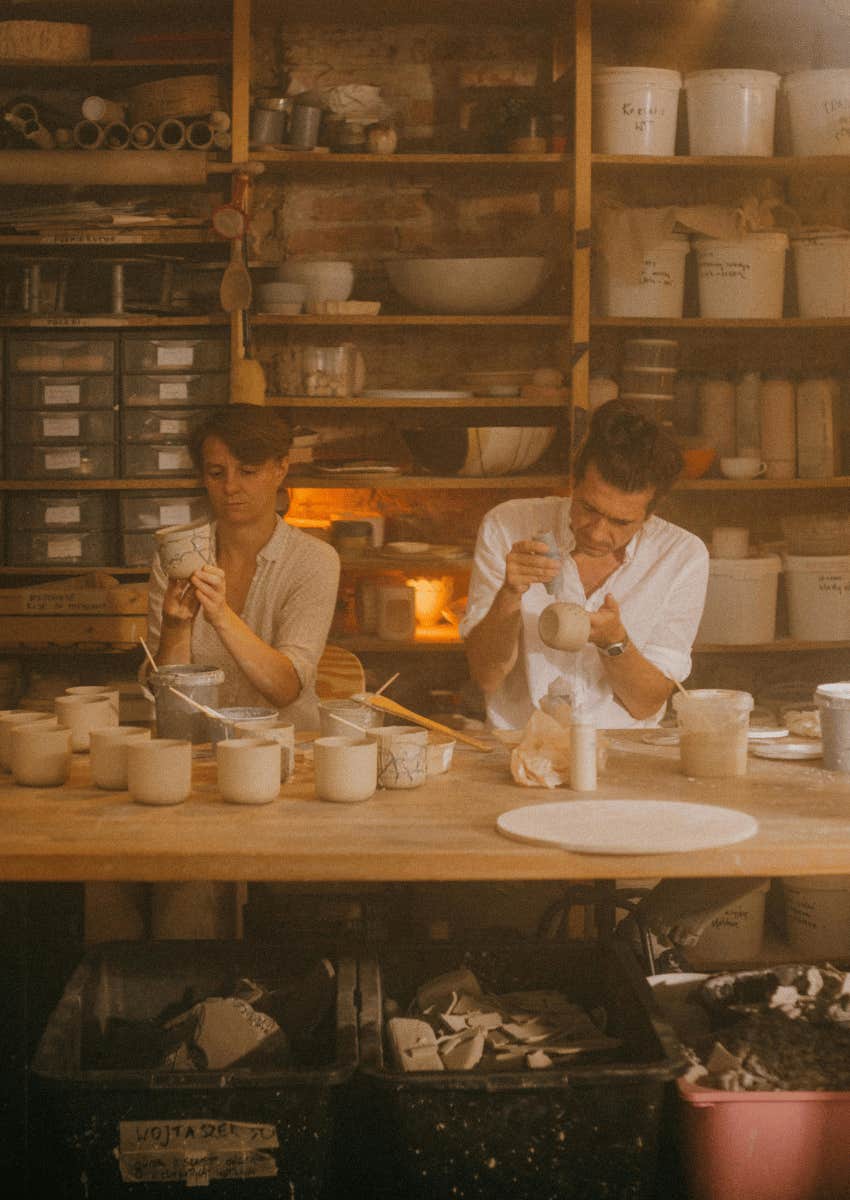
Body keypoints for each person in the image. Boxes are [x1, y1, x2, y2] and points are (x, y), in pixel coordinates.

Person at [461, 400, 709, 729]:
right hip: (521, 746)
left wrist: (614, 642)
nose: (597, 532)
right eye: (589, 508)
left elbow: (645, 704)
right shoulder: (509, 525)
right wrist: (509, 594)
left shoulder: (681, 555)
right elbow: (486, 677)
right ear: (574, 482)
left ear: (650, 514)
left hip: (625, 754)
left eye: (621, 522)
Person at [146, 404, 340, 730]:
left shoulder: (313, 560)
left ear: (281, 468)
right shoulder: (177, 557)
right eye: (217, 473)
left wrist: (221, 616)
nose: (231, 487)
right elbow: (168, 698)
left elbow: (285, 688)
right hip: (198, 745)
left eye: (248, 471)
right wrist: (176, 628)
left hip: (284, 749)